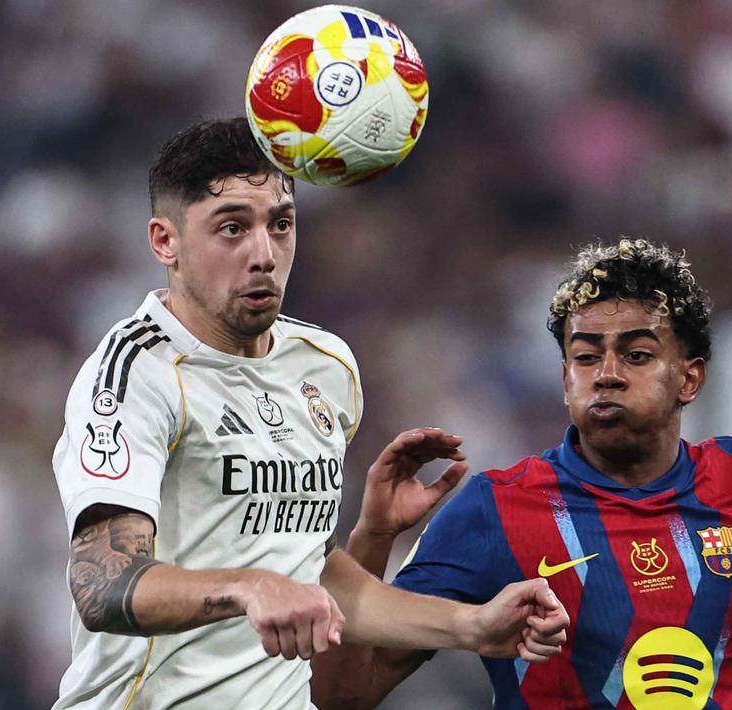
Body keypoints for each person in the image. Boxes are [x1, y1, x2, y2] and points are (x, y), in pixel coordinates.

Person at [50, 117, 569, 710]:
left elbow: (313, 573)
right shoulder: (134, 371)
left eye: (281, 224)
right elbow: (102, 585)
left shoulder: (327, 367)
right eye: (231, 228)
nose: (264, 255)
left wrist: (469, 626)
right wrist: (249, 587)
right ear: (165, 241)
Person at [311, 238, 732, 709]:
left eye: (638, 355)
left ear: (689, 378)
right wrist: (375, 535)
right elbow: (344, 693)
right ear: (565, 378)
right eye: (586, 356)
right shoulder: (493, 509)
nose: (607, 373)